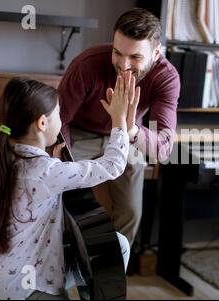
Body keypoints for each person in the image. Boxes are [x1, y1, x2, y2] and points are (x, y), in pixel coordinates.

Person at [0, 74, 137, 300]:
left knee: (116, 246)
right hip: (32, 291)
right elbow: (112, 166)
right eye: (58, 113)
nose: (61, 119)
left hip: (9, 284)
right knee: (111, 253)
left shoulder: (11, 158)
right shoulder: (46, 172)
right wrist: (119, 122)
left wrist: (54, 161)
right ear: (42, 123)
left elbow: (41, 181)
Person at [58, 8, 180, 246]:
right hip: (81, 135)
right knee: (56, 196)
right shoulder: (86, 65)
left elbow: (164, 148)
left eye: (135, 57)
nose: (123, 65)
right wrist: (63, 161)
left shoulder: (167, 78)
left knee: (131, 213)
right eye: (117, 53)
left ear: (156, 53)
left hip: (129, 135)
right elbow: (59, 120)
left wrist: (130, 128)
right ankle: (63, 267)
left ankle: (110, 273)